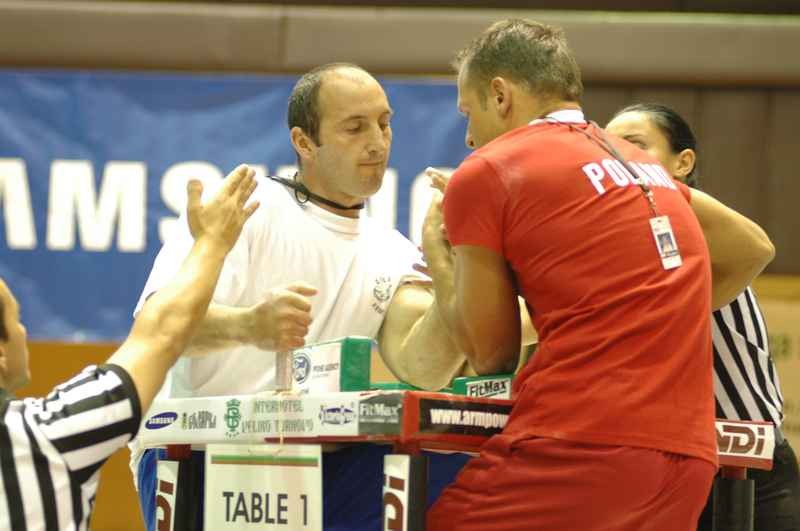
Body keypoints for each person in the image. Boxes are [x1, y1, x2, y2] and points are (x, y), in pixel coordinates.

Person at [424, 19, 775, 530]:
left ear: (500, 95)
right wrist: (641, 314)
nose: (471, 136)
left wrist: (439, 253)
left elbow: (490, 353)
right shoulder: (638, 162)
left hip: (580, 447)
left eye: (469, 112)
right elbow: (752, 246)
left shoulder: (488, 168)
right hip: (690, 459)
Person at [132, 63, 476, 531]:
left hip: (317, 462)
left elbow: (424, 367)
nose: (378, 141)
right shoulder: (245, 209)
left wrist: (452, 267)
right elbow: (161, 328)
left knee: (467, 466)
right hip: (198, 451)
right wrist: (249, 325)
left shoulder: (390, 248)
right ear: (304, 142)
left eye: (384, 122)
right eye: (355, 128)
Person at [0, 165, 259, 529]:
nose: (24, 331)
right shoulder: (49, 435)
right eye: (16, 321)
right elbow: (161, 336)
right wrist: (212, 243)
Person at [606, 102, 800, 531]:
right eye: (610, 149)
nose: (619, 159)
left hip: (752, 471)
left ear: (683, 162)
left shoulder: (702, 235)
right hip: (671, 470)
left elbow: (761, 248)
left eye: (634, 146)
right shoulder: (628, 245)